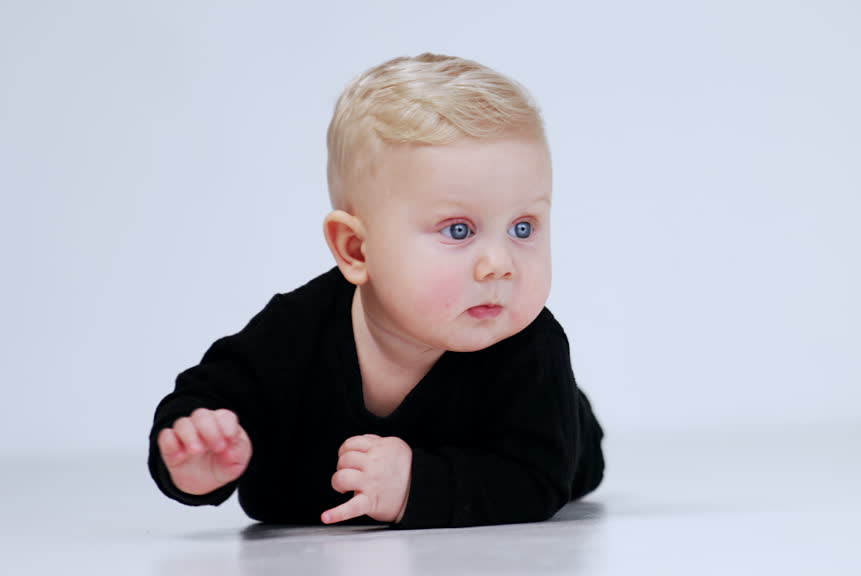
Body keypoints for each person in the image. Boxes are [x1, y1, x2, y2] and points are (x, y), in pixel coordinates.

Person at [146, 53, 605, 529]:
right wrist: (195, 458)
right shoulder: (294, 333)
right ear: (356, 250)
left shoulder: (530, 347)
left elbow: (536, 480)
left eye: (524, 228)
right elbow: (207, 396)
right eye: (458, 231)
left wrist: (416, 486)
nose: (500, 265)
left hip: (554, 430)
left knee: (571, 439)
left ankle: (576, 413)